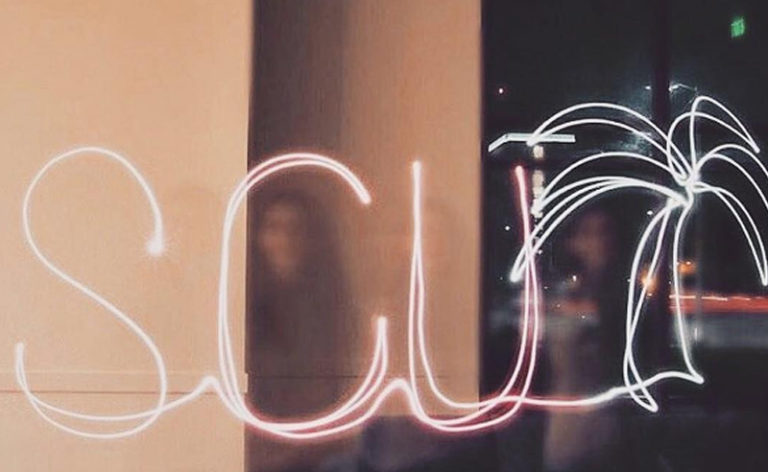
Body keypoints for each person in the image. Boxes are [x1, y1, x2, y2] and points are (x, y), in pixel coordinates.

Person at [245, 190, 355, 471]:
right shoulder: (243, 309)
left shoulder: (332, 309)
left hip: (316, 453)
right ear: (258, 237)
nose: (285, 240)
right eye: (274, 228)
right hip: (256, 454)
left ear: (310, 240)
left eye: (295, 229)